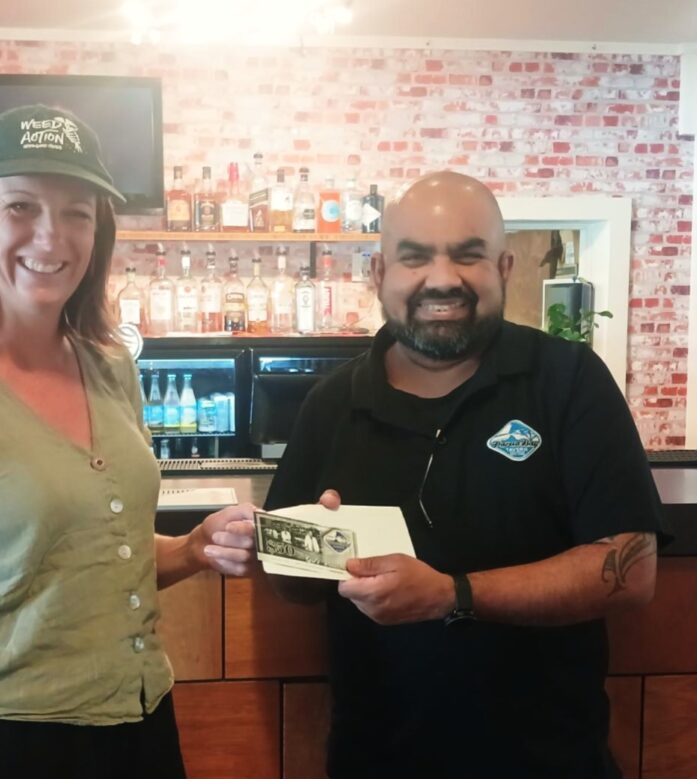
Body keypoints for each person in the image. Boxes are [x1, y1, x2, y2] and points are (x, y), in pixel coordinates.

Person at [0, 104, 255, 779]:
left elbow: (87, 556)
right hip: (0, 744)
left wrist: (192, 548)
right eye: (22, 206)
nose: (51, 236)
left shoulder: (109, 368)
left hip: (140, 726)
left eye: (76, 213)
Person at [265, 171, 665, 778]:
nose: (443, 278)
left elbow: (631, 571)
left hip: (549, 764)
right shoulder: (331, 403)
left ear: (504, 268)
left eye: (468, 255)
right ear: (379, 273)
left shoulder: (569, 381)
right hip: (376, 762)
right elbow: (291, 589)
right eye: (415, 257)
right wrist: (303, 550)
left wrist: (452, 596)